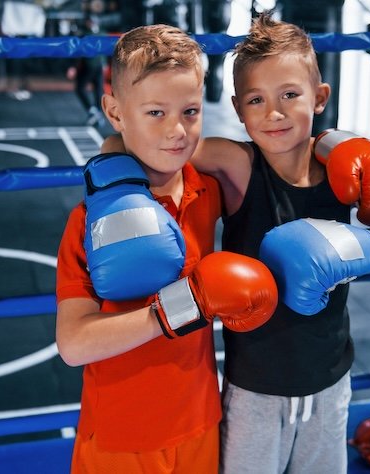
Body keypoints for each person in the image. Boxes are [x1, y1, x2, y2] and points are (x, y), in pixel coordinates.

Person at [102, 13, 370, 473]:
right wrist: (110, 174)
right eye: (257, 100)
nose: (274, 113)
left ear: (320, 98)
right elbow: (137, 142)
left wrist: (367, 246)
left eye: (290, 95)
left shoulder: (347, 177)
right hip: (255, 389)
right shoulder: (237, 164)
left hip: (330, 383)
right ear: (239, 110)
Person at [55, 24, 279, 473]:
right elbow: (74, 344)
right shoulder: (89, 223)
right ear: (115, 112)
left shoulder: (209, 190)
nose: (177, 130)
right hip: (121, 434)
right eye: (155, 112)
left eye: (190, 111)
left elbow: (285, 159)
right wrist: (183, 306)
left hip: (199, 420)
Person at [67, 13, 106, 126]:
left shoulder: (87, 34)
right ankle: (95, 113)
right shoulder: (96, 33)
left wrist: (73, 67)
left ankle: (94, 112)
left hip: (93, 65)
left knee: (92, 90)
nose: (89, 23)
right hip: (93, 65)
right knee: (96, 90)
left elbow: (78, 51)